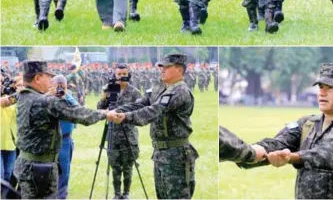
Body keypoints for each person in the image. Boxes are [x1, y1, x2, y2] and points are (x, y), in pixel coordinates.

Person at [239, 63, 333, 199]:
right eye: (321, 87)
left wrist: (294, 157)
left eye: (330, 87)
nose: (322, 93)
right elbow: (279, 143)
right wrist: (249, 152)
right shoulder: (307, 123)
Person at [13, 60, 119, 199]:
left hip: (25, 164)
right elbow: (79, 114)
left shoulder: (23, 96)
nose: (51, 81)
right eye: (48, 77)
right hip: (41, 169)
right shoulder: (47, 102)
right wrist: (105, 113)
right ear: (38, 78)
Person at [111, 53, 199, 199]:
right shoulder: (160, 86)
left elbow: (154, 110)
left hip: (176, 154)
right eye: (161, 67)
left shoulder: (180, 91)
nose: (162, 70)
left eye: (166, 67)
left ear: (179, 69)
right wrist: (118, 110)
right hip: (161, 153)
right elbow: (142, 102)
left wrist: (125, 117)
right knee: (162, 195)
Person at [97, 63, 142, 200]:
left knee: (128, 166)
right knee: (115, 166)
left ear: (128, 74)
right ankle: (117, 194)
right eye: (119, 74)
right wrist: (104, 96)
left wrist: (125, 116)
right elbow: (100, 108)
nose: (122, 77)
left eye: (124, 74)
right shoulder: (111, 90)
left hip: (129, 134)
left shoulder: (134, 92)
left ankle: (126, 193)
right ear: (114, 75)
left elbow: (140, 111)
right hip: (112, 134)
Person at [49, 75, 78, 200]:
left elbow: (78, 109)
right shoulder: (46, 97)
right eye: (58, 87)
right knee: (48, 169)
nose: (60, 89)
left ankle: (61, 196)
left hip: (65, 140)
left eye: (63, 87)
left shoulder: (69, 98)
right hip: (50, 140)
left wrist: (66, 96)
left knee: (64, 170)